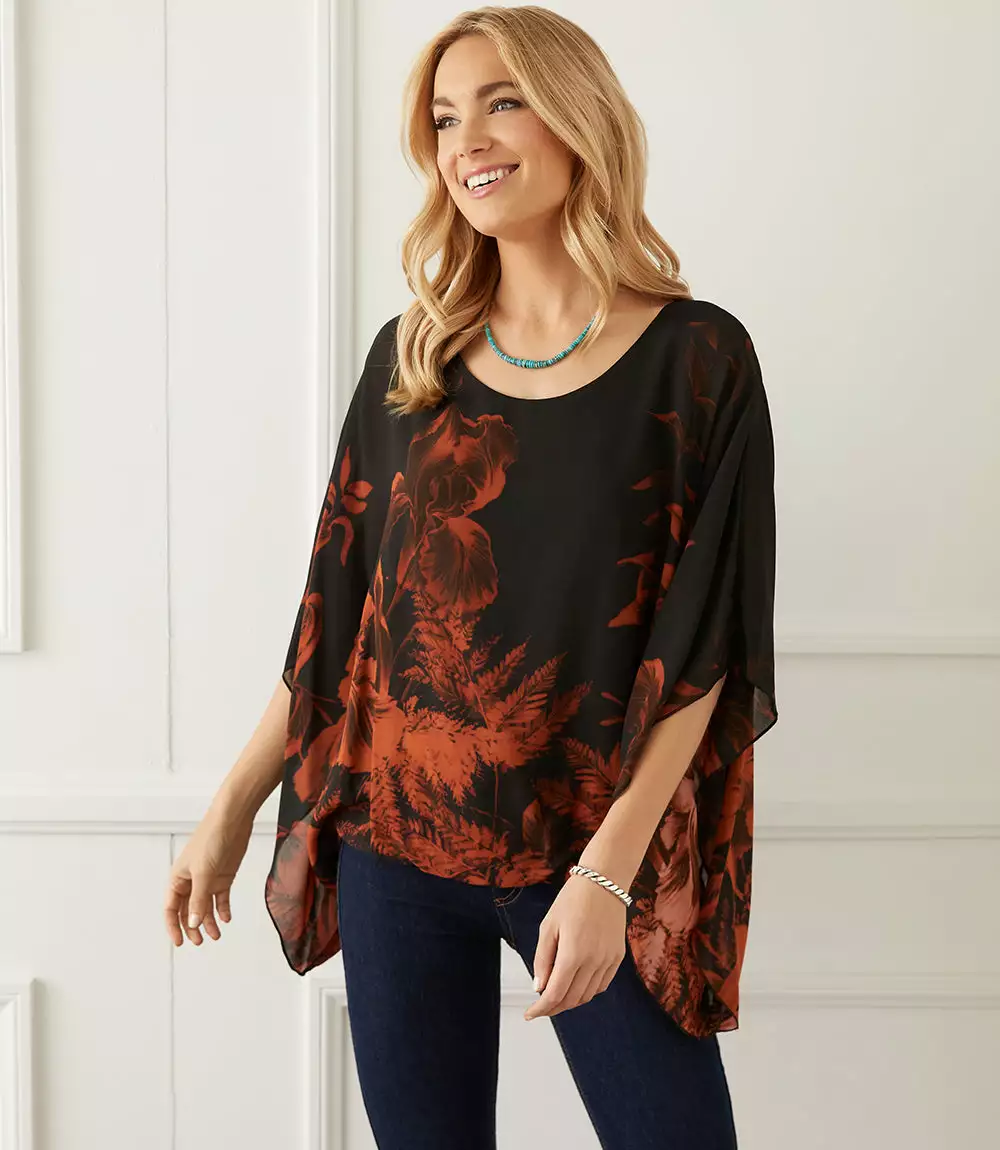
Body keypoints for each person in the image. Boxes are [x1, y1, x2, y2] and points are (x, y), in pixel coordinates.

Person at [163, 7, 778, 1148]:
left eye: (502, 102)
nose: (468, 141)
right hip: (398, 846)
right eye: (445, 119)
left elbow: (705, 647)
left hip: (589, 845)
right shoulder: (415, 360)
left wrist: (608, 875)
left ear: (576, 117)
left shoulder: (697, 361)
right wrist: (231, 804)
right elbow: (336, 620)